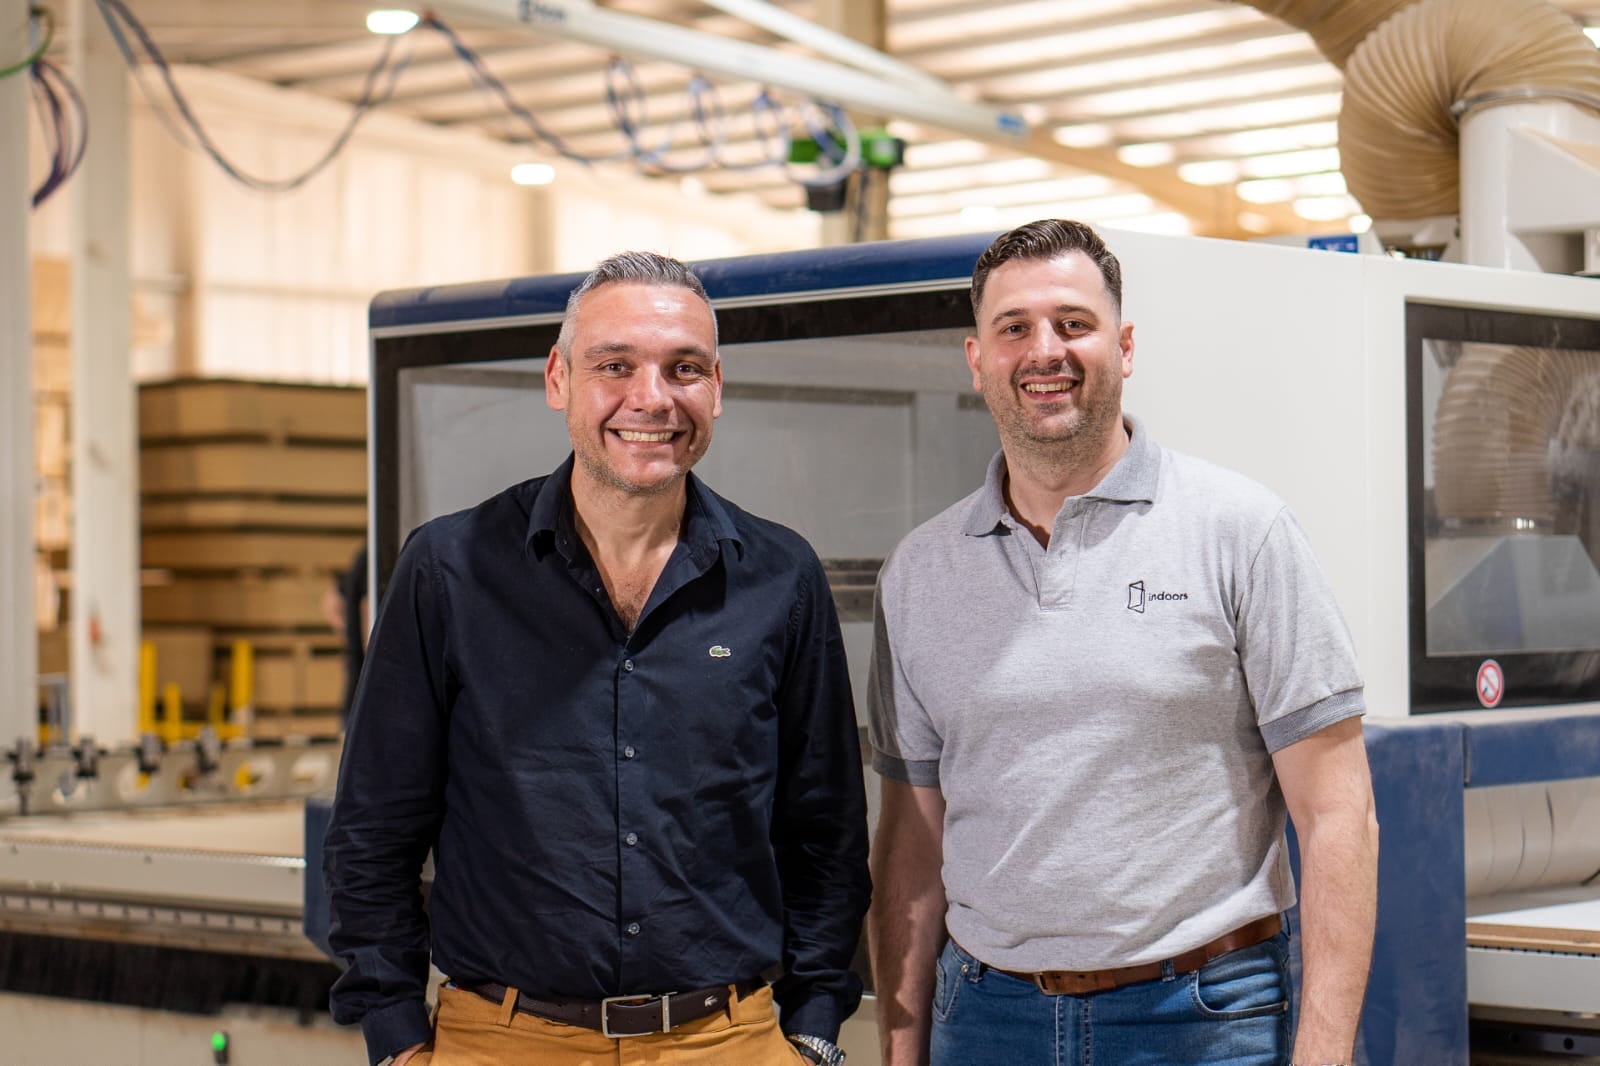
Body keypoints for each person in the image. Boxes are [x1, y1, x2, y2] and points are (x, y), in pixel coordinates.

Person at [324, 251, 870, 1066]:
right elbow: (373, 827)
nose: (651, 398)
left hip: (728, 1042)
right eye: (615, 365)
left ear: (715, 387)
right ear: (559, 379)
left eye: (682, 368)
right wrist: (396, 1036)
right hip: (502, 1041)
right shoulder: (450, 571)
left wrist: (816, 1027)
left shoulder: (781, 577)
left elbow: (825, 829)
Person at [867, 219, 1379, 1066]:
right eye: (1015, 328)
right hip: (987, 1019)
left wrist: (1323, 1053)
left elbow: (1338, 816)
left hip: (1204, 1014)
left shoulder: (1240, 532)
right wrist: (902, 1047)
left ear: (1125, 345)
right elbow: (913, 843)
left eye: (1074, 323)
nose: (1045, 351)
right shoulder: (919, 571)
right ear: (976, 358)